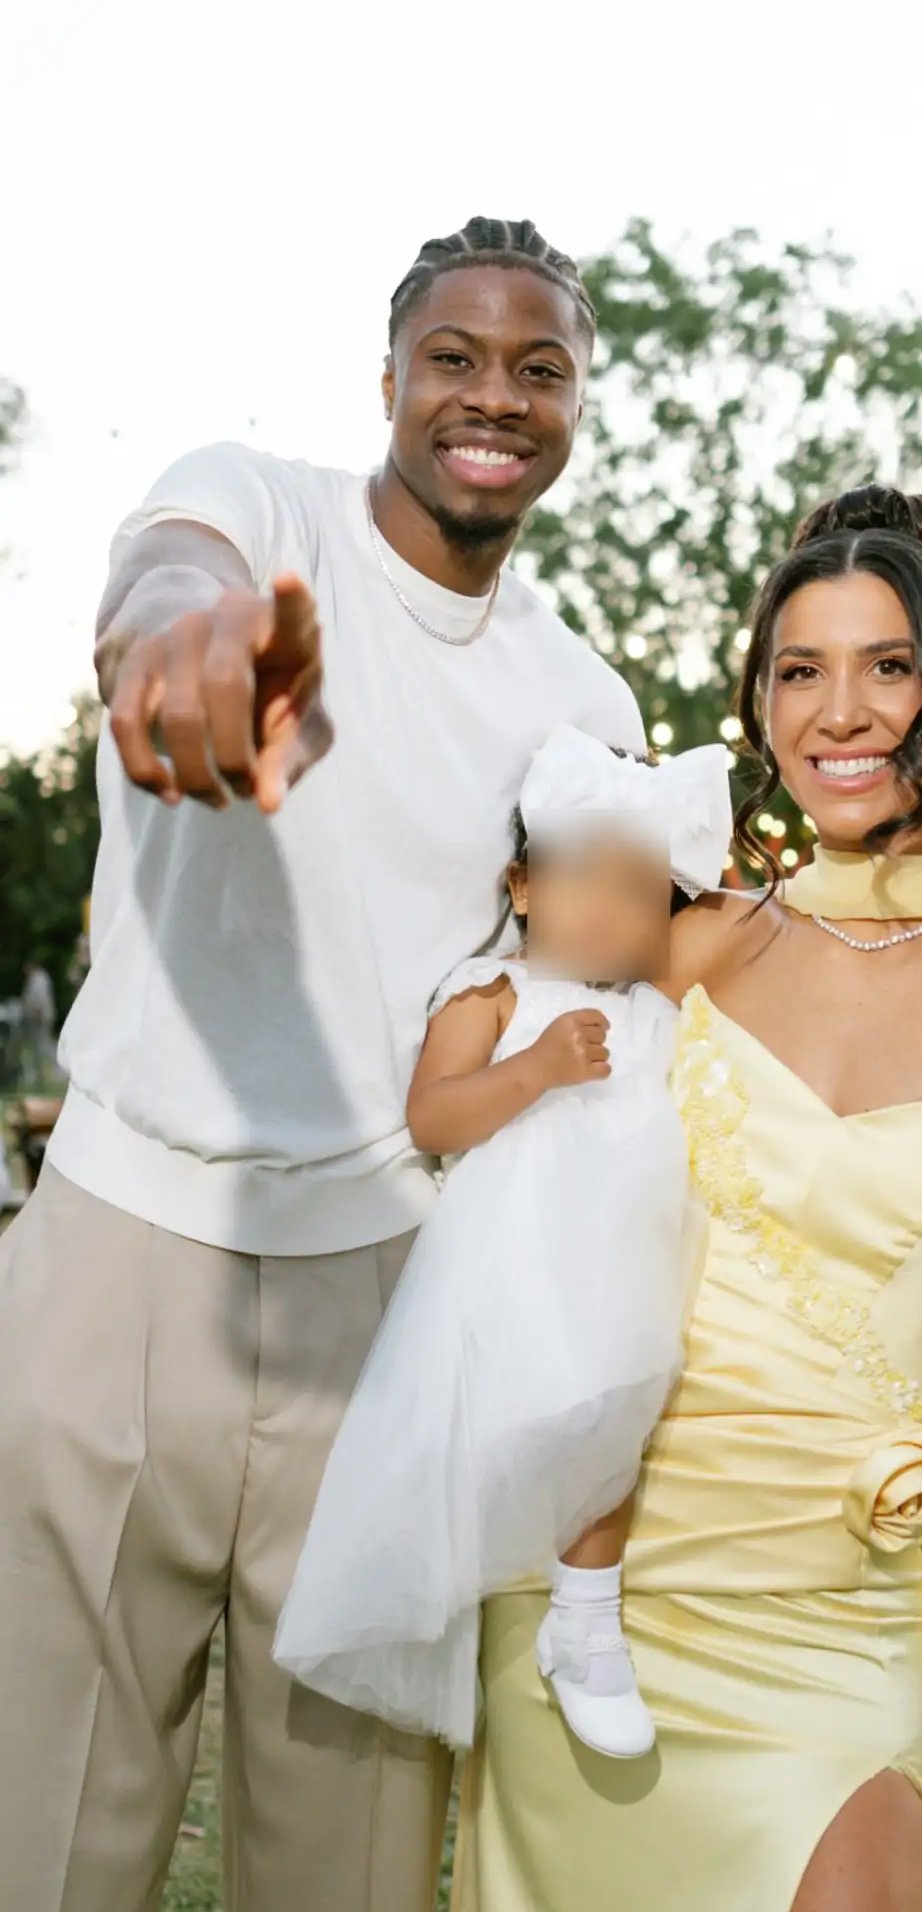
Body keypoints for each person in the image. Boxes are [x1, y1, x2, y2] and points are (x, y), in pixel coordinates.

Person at [0, 217, 644, 1912]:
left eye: (539, 368)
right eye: (454, 358)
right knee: (37, 1853)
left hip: (392, 1305)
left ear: (574, 409)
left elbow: (652, 961)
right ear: (387, 382)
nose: (493, 396)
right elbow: (161, 584)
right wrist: (188, 651)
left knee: (348, 1904)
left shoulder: (579, 698)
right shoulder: (252, 515)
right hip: (122, 1251)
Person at [444, 485, 922, 1912]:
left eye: (886, 665)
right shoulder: (690, 938)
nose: (839, 709)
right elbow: (469, 1012)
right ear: (758, 706)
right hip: (592, 1601)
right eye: (798, 669)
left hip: (832, 1632)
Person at [275, 726, 732, 1762]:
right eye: (582, 877)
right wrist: (534, 1071)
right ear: (522, 886)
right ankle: (472, 1581)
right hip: (515, 1257)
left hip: (625, 1264)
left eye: (637, 888)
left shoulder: (653, 1012)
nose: (607, 906)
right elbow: (434, 1118)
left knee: (617, 1411)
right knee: (518, 1415)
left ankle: (586, 1621)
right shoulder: (494, 992)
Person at [20, 960, 57, 1082]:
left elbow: (41, 999)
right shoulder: (34, 978)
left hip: (41, 1017)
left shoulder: (40, 978)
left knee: (43, 1044)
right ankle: (34, 1073)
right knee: (35, 1045)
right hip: (36, 1017)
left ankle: (59, 1063)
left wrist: (37, 1014)